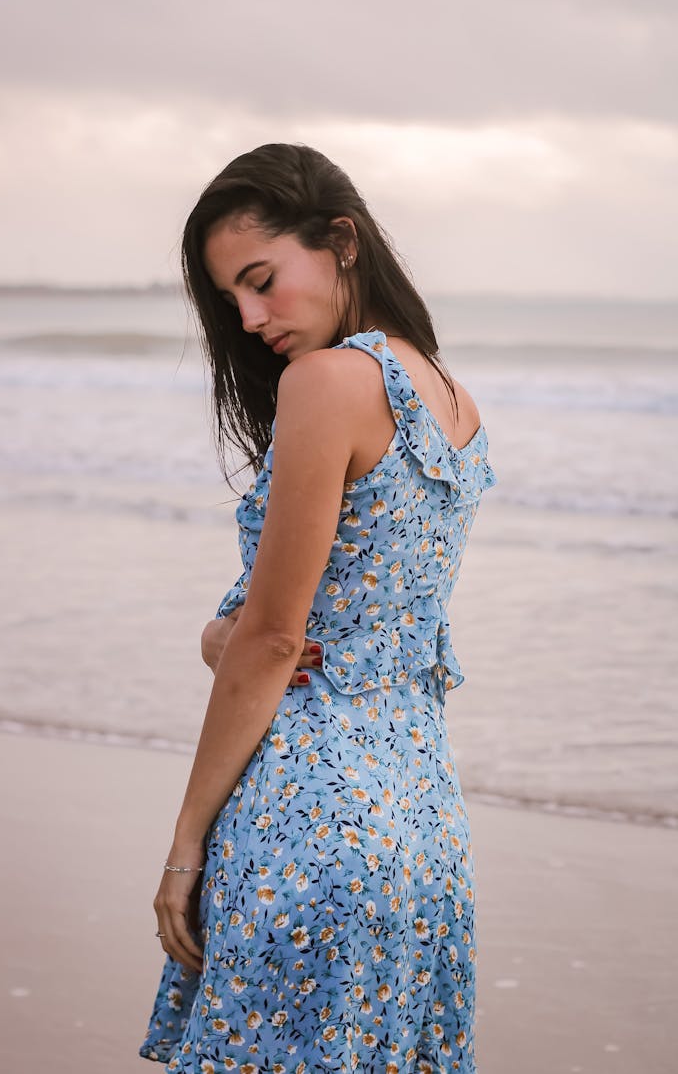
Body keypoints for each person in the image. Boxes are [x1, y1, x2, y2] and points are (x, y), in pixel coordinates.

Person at [139, 143, 497, 1073]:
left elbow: (275, 639)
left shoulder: (329, 383)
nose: (251, 318)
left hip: (308, 821)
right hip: (424, 828)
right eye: (232, 301)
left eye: (262, 280)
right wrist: (228, 634)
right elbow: (363, 614)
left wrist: (185, 848)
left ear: (340, 240)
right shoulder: (452, 399)